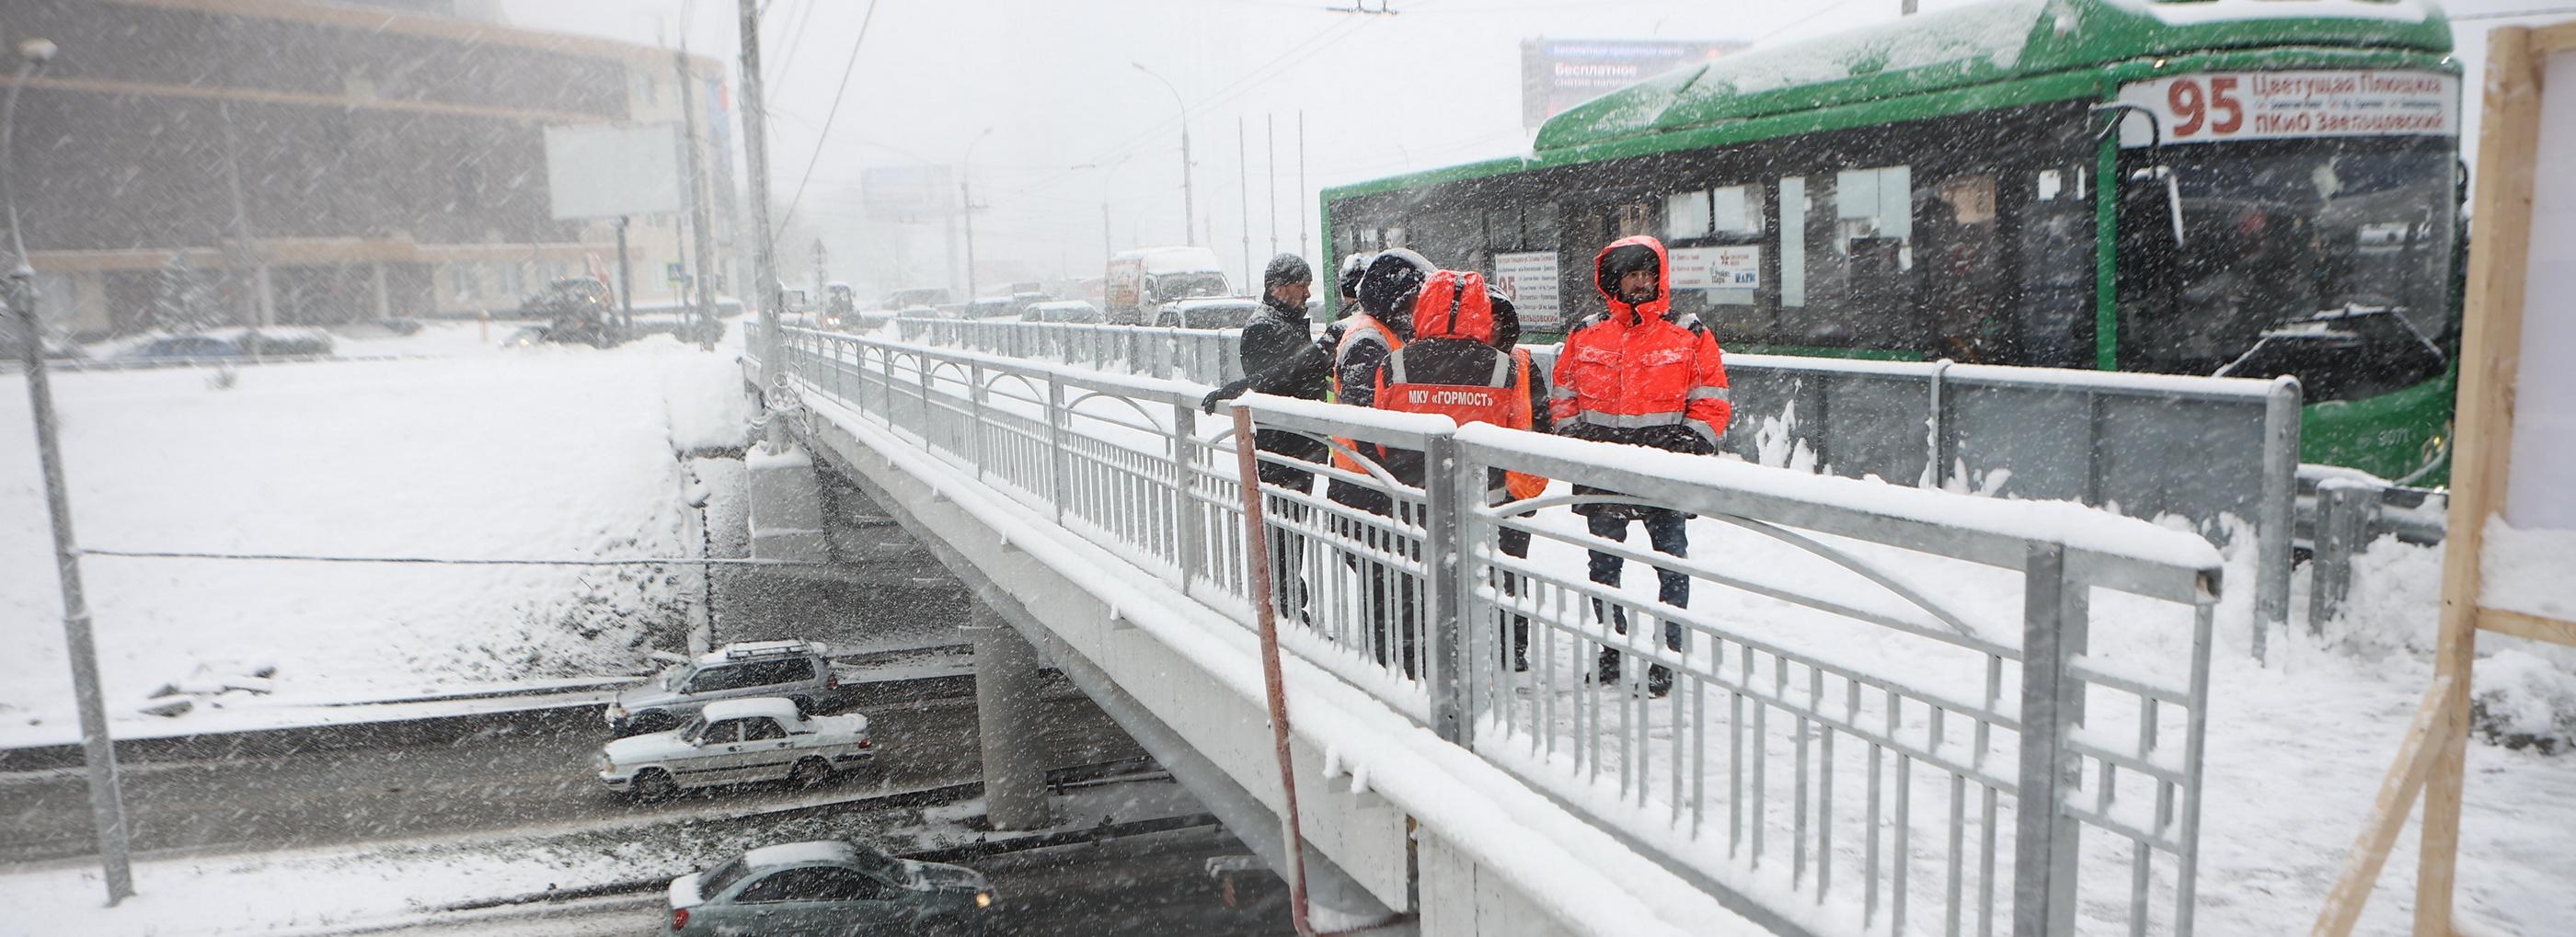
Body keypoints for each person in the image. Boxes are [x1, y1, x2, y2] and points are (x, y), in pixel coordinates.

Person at [1550, 235, 1731, 698]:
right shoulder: (1584, 334)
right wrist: (1576, 440)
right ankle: (1612, 649)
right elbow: (1563, 396)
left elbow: (1712, 398)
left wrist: (1688, 446)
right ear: (1613, 280)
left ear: (1660, 278)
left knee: (1670, 567)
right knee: (1603, 570)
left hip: (1663, 475)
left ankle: (1666, 659)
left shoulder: (1689, 335)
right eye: (1630, 274)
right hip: (1603, 473)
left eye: (1647, 274)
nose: (1639, 283)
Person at [1359, 269, 1552, 672]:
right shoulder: (1507, 369)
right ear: (1482, 313)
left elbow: (1375, 440)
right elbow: (1526, 439)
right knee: (1488, 585)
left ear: (1424, 307)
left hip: (1416, 506)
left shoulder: (1394, 365)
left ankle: (1417, 659)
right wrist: (1518, 498)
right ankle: (1491, 658)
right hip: (1486, 509)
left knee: (1418, 584)